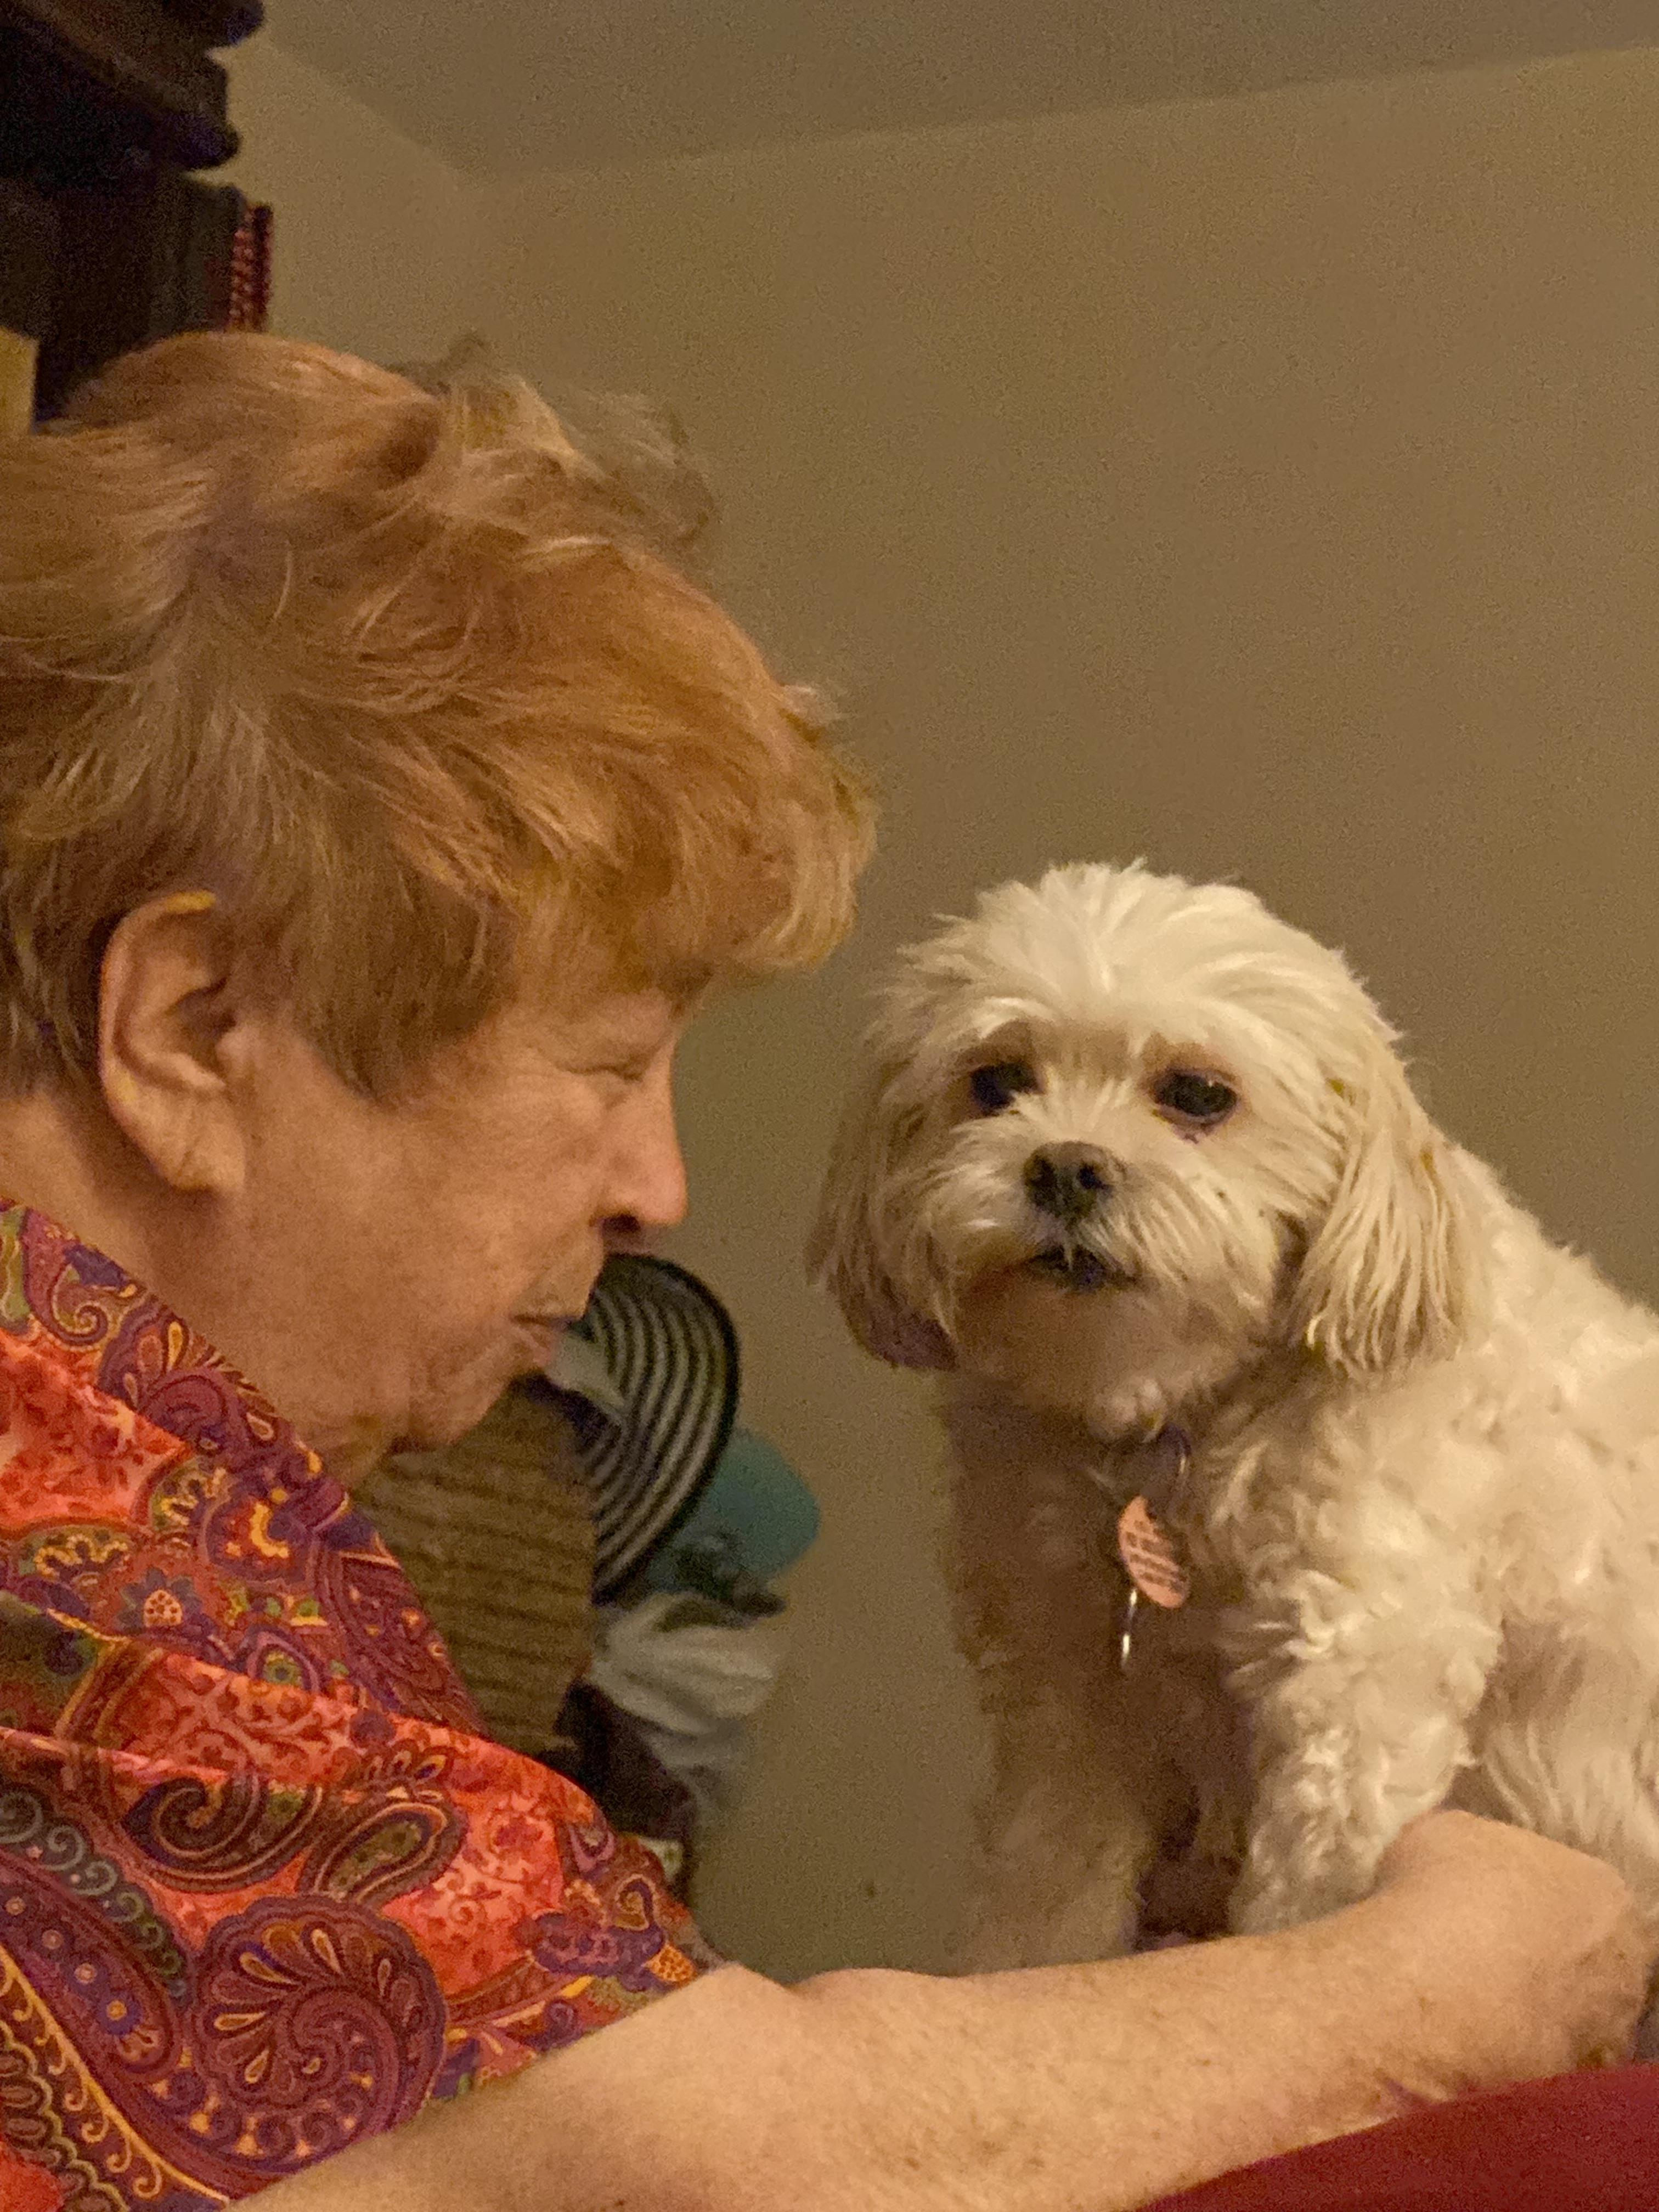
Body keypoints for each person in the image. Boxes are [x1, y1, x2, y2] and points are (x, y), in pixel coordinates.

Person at [0, 332, 1647, 2212]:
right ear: (194, 1026)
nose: (664, 1186)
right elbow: (682, 2166)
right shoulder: (68, 1542)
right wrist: (1419, 1998)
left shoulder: (179, 1503)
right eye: (612, 1063)